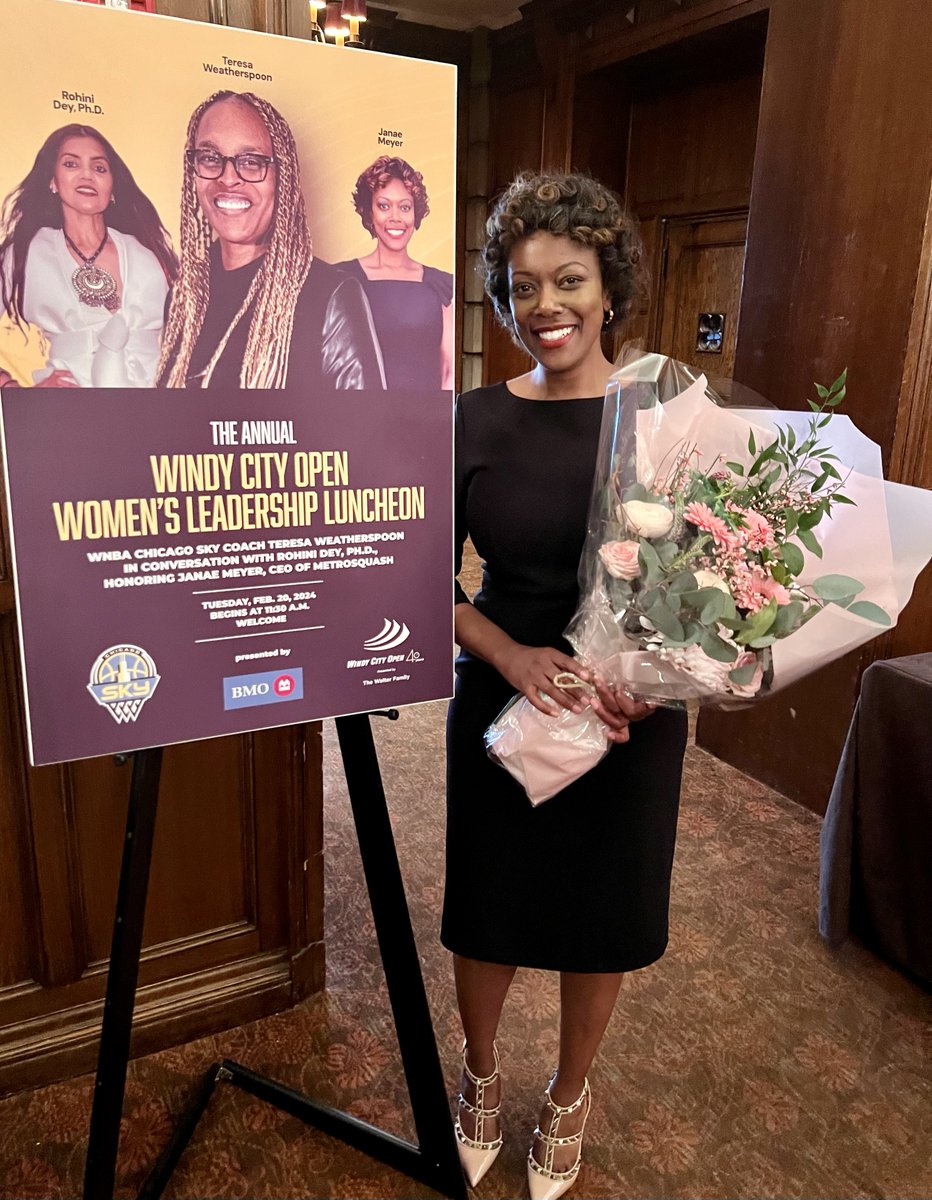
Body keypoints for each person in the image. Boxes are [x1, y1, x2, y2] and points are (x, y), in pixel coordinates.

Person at [445, 172, 688, 1199]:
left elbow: (710, 580)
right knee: (488, 903)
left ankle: (568, 1094)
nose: (546, 305)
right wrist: (510, 657)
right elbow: (420, 585)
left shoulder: (668, 416)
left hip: (632, 711)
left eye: (570, 280)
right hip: (503, 697)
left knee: (602, 911)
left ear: (609, 286)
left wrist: (651, 676)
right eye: (524, 286)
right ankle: (479, 1075)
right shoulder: (473, 418)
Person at [158, 90, 384, 391]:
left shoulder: (330, 296)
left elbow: (366, 421)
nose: (228, 178)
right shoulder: (184, 297)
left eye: (251, 162)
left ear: (282, 178)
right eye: (210, 158)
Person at [0, 124, 176, 387]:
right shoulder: (27, 253)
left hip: (156, 401)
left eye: (99, 168)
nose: (87, 175)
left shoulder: (150, 254)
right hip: (70, 406)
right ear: (52, 181)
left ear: (112, 187)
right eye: (71, 164)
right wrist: (11, 388)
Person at [336, 155, 453, 392]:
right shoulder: (341, 279)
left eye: (405, 207)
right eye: (384, 206)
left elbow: (448, 370)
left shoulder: (441, 285)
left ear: (415, 213)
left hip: (426, 413)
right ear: (369, 212)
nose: (395, 218)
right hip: (361, 413)